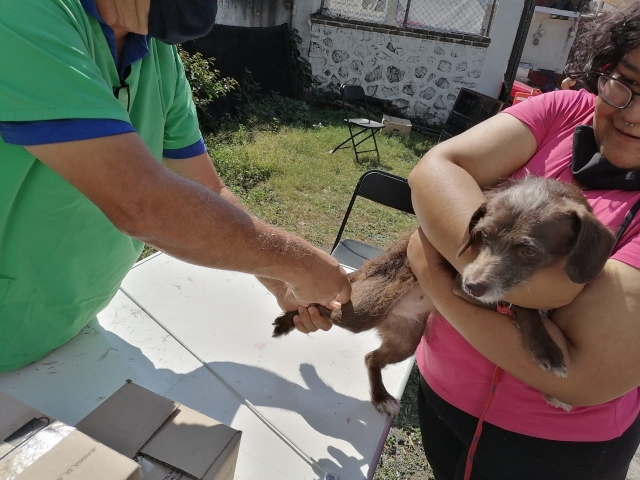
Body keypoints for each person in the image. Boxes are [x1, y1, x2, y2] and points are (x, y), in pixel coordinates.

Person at [0, 0, 350, 372]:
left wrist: (280, 283)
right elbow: (141, 202)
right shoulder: (21, 13)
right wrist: (300, 265)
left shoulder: (157, 53)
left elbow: (206, 186)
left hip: (67, 324)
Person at [406, 4, 640, 479]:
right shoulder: (561, 109)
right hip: (440, 390)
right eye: (625, 82)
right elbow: (435, 170)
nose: (633, 113)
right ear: (604, 67)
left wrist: (432, 266)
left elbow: (583, 377)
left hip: (547, 449)